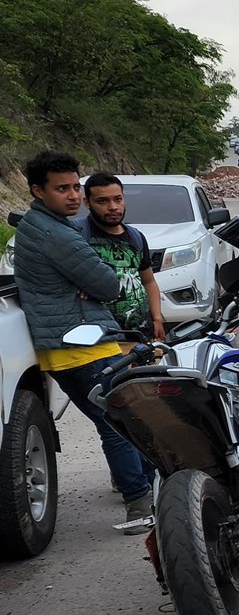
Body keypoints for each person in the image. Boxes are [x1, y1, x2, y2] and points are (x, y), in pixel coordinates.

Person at [12, 151, 155, 523]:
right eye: (62, 189)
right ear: (37, 191)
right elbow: (108, 283)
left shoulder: (47, 226)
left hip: (78, 339)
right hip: (78, 344)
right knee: (117, 420)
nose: (73, 196)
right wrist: (88, 282)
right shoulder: (55, 233)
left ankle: (146, 489)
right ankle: (140, 501)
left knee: (125, 415)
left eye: (76, 186)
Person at [80, 173, 165, 341]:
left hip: (139, 333)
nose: (113, 207)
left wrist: (156, 318)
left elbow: (148, 281)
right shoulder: (78, 235)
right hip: (100, 336)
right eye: (102, 201)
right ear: (87, 203)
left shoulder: (136, 237)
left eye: (118, 199)